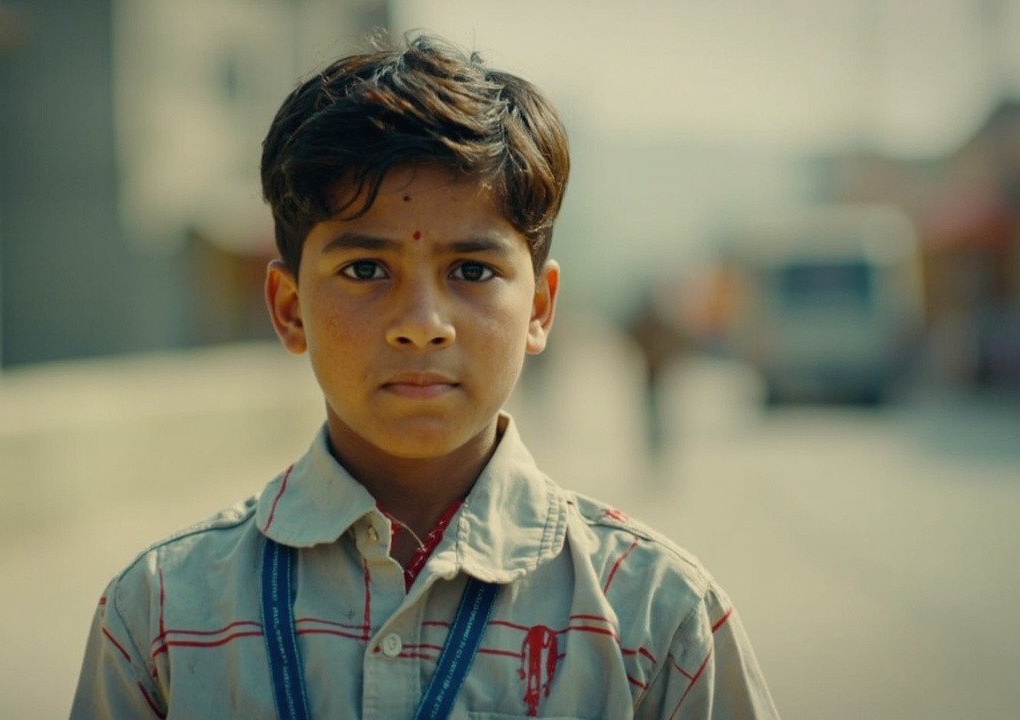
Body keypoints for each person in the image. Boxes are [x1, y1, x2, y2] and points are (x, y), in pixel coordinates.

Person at [70, 33, 779, 719]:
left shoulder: (657, 621)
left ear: (538, 308)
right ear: (290, 310)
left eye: (472, 271)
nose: (421, 322)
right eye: (364, 270)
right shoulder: (164, 618)